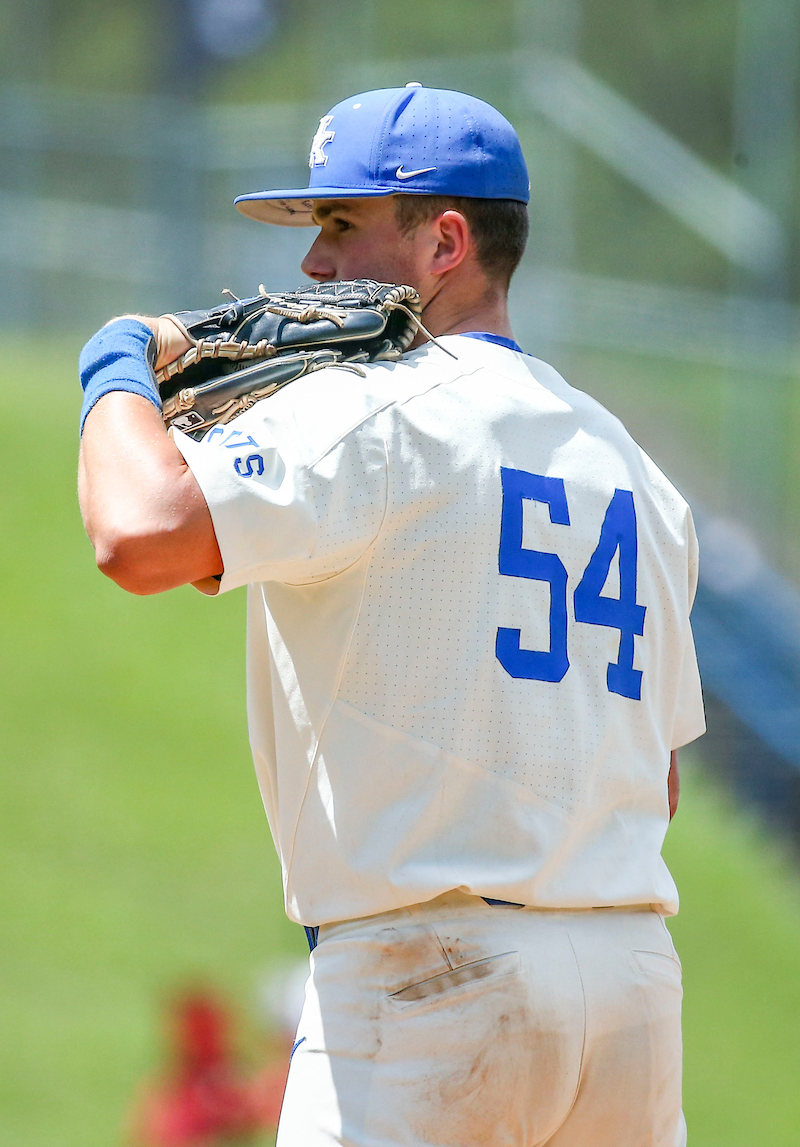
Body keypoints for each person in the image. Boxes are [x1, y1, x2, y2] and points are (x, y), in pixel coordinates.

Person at [79, 84, 705, 1147]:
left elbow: (137, 533)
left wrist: (114, 364)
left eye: (339, 225)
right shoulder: (637, 472)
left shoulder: (374, 412)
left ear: (445, 241)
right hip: (628, 993)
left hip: (428, 987)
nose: (313, 267)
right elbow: (657, 777)